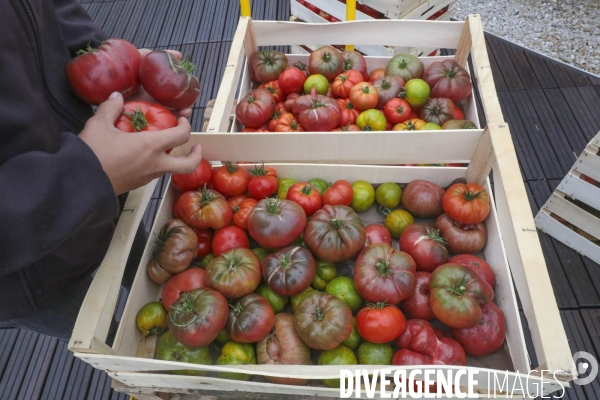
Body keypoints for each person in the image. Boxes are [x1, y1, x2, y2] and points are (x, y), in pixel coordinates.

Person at [0, 0, 202, 340]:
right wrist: (85, 176)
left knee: (145, 257)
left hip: (103, 167)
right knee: (107, 339)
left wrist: (107, 63)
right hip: (29, 275)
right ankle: (122, 345)